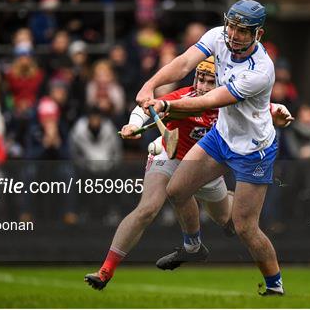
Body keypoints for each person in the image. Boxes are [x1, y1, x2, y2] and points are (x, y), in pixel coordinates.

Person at [84, 56, 292, 291]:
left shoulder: (232, 104)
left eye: (210, 82)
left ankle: (229, 205)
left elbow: (266, 108)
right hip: (170, 157)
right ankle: (107, 270)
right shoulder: (183, 97)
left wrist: (278, 111)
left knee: (231, 223)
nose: (203, 87)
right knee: (148, 208)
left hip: (206, 167)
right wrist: (133, 124)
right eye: (200, 79)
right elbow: (146, 107)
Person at [137, 0, 288, 296]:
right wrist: (150, 85)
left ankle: (274, 286)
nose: (233, 34)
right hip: (221, 136)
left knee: (245, 227)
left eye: (243, 30)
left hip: (252, 149)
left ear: (258, 34)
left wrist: (167, 103)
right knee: (177, 190)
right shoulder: (218, 35)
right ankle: (193, 247)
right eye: (232, 26)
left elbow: (211, 100)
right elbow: (183, 63)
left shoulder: (261, 70)